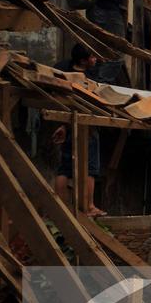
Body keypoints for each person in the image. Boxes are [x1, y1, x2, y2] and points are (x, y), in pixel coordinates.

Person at [51, 44, 105, 217]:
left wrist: (62, 125)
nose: (95, 59)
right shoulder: (88, 77)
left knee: (64, 169)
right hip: (86, 126)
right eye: (92, 57)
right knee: (90, 168)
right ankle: (88, 207)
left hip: (65, 122)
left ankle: (61, 209)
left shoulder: (62, 69)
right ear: (83, 60)